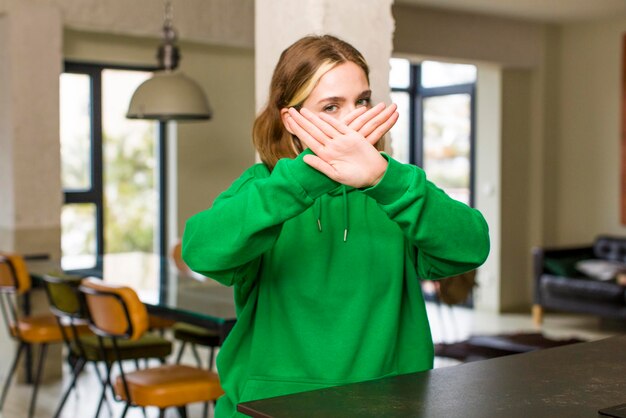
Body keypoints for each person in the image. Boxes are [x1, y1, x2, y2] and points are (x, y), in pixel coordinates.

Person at [182, 34, 490, 417]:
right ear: (291, 119)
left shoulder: (395, 189)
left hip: (388, 407)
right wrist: (307, 178)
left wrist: (384, 180)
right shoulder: (264, 186)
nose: (352, 119)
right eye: (331, 107)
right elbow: (201, 249)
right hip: (270, 410)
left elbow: (472, 246)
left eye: (361, 101)